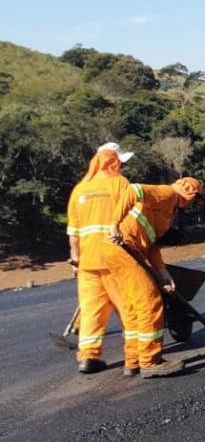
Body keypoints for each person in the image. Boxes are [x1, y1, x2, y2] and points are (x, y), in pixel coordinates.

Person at [100, 177, 203, 378]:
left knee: (134, 308)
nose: (193, 204)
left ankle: (133, 361)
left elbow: (153, 248)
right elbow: (133, 191)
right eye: (195, 199)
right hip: (122, 248)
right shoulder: (168, 194)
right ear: (190, 193)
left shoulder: (169, 212)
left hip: (121, 251)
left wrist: (164, 274)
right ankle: (150, 361)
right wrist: (114, 224)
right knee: (150, 303)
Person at [66, 143, 138, 374]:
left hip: (87, 263)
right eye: (121, 163)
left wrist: (76, 260)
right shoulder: (120, 184)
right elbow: (131, 221)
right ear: (114, 162)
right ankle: (134, 357)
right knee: (129, 308)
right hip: (114, 259)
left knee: (91, 312)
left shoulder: (79, 190)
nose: (123, 167)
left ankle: (88, 357)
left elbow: (73, 234)